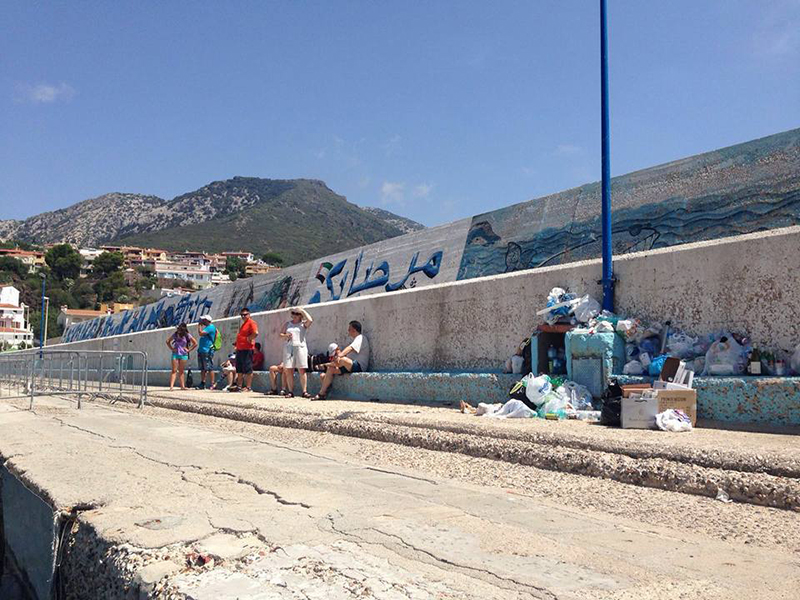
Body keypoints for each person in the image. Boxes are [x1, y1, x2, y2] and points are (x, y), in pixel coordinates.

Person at [313, 321, 369, 400]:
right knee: (330, 369)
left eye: (349, 329)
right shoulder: (356, 339)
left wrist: (340, 356)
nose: (348, 331)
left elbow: (350, 348)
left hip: (359, 366)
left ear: (354, 330)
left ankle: (325, 386)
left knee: (342, 360)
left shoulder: (361, 337)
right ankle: (322, 393)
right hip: (349, 366)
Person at [279, 307, 313, 398]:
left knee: (302, 369)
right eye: (293, 313)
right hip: (289, 347)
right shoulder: (288, 324)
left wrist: (302, 311)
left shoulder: (303, 324)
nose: (294, 315)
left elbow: (310, 320)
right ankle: (290, 391)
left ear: (300, 315)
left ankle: (304, 391)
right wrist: (286, 335)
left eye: (296, 314)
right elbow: (281, 334)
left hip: (300, 347)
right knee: (289, 370)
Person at [230, 308, 258, 392]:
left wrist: (249, 339)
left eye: (245, 314)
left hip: (247, 349)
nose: (243, 316)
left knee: (248, 368)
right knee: (239, 368)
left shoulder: (251, 322)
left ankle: (248, 387)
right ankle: (239, 386)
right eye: (241, 315)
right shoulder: (244, 324)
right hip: (240, 349)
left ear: (249, 314)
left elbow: (255, 333)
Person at [165, 323, 197, 391]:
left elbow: (195, 343)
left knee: (181, 371)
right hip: (175, 353)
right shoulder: (175, 334)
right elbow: (167, 341)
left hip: (183, 354)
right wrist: (172, 348)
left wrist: (188, 350)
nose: (179, 330)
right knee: (174, 370)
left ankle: (182, 386)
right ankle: (171, 386)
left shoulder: (187, 335)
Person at [196, 315, 217, 390]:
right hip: (202, 350)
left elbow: (201, 333)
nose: (202, 321)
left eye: (203, 320)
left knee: (209, 367)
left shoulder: (210, 327)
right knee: (202, 368)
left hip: (207, 350)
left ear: (207, 320)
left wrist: (199, 326)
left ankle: (212, 383)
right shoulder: (207, 327)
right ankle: (203, 383)